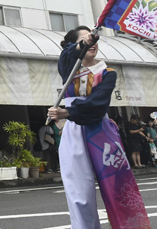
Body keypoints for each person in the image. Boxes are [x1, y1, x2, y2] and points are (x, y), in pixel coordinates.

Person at [47, 26, 150, 229]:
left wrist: (67, 112)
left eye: (94, 39)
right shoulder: (69, 67)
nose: (92, 43)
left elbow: (98, 103)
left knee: (119, 186)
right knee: (79, 193)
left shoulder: (107, 73)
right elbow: (66, 54)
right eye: (86, 39)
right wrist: (82, 45)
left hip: (101, 131)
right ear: (75, 45)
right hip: (74, 132)